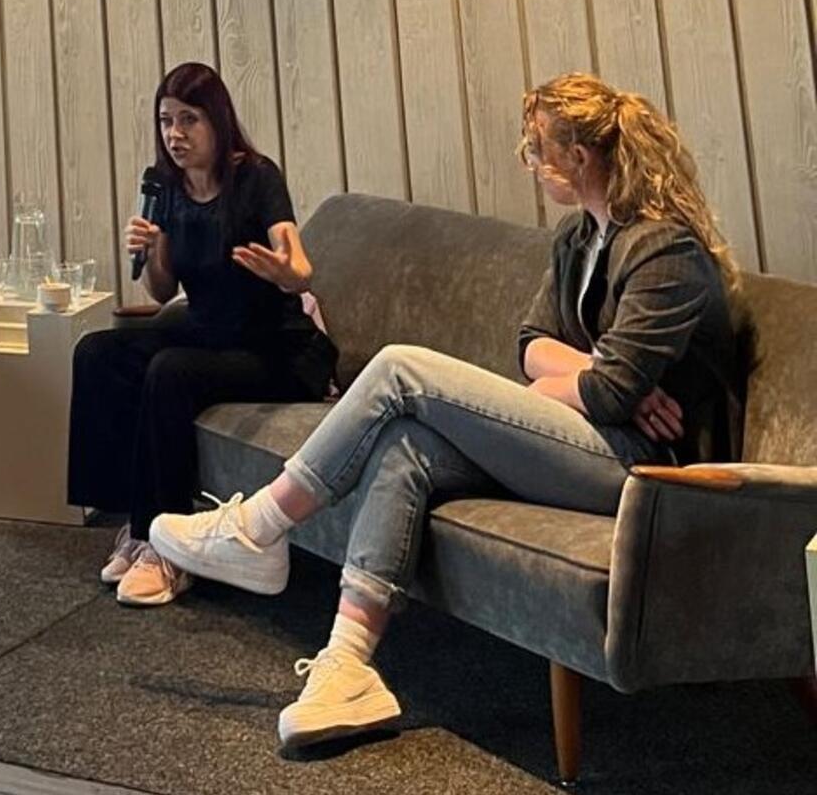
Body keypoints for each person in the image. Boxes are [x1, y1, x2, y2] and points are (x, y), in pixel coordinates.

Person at [148, 72, 743, 748]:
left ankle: (259, 525)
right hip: (587, 438)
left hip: (648, 471)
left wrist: (600, 383)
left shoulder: (664, 249)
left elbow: (610, 395)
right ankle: (348, 668)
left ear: (577, 158)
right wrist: (596, 374)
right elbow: (530, 348)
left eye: (535, 148)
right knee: (406, 445)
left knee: (403, 371)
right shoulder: (580, 237)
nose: (530, 163)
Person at [66, 62, 337, 606]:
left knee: (170, 371)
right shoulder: (165, 185)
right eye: (166, 121)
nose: (175, 134)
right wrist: (152, 245)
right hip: (211, 331)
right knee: (97, 353)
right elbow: (162, 293)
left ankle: (166, 547)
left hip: (277, 348)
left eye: (189, 120)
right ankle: (132, 523)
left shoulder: (256, 177)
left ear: (217, 121)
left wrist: (288, 273)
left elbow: (298, 260)